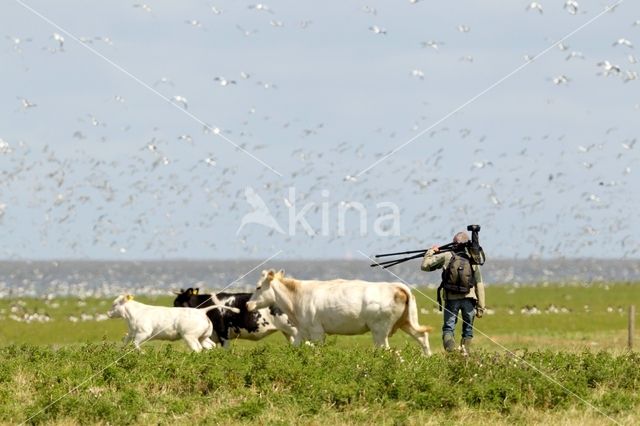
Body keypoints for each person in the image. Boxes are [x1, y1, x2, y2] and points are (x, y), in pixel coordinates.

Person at [421, 231, 486, 354]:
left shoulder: (446, 256)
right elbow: (479, 284)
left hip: (451, 299)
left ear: (454, 243)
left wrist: (431, 251)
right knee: (468, 330)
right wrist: (481, 308)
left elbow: (425, 266)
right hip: (469, 299)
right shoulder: (473, 259)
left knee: (448, 328)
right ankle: (465, 353)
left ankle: (451, 353)